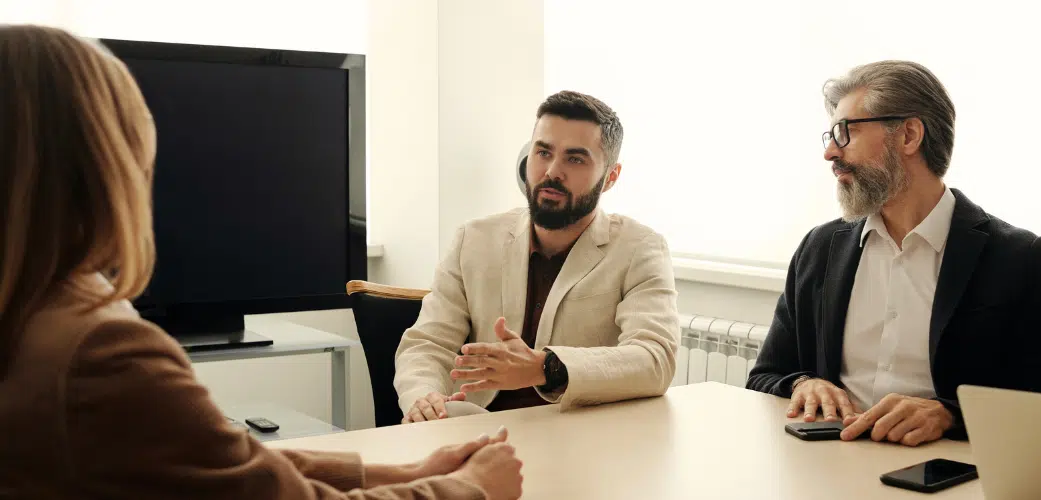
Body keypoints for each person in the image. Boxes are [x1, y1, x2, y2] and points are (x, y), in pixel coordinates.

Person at [0, 25, 521, 499]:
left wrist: (401, 472)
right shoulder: (101, 351)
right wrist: (470, 489)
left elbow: (222, 464)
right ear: (103, 163)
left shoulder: (32, 318)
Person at [746, 60, 1041, 446]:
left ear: (909, 135)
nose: (830, 152)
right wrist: (804, 384)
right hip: (828, 466)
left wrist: (950, 414)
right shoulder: (819, 249)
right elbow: (764, 376)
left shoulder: (1017, 257)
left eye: (845, 132)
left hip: (945, 476)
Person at [393, 91, 679, 423]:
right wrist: (425, 396)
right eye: (543, 152)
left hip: (579, 440)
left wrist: (546, 368)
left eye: (575, 159)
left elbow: (655, 359)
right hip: (473, 430)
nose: (552, 171)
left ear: (610, 177)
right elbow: (427, 344)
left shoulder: (640, 249)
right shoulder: (473, 240)